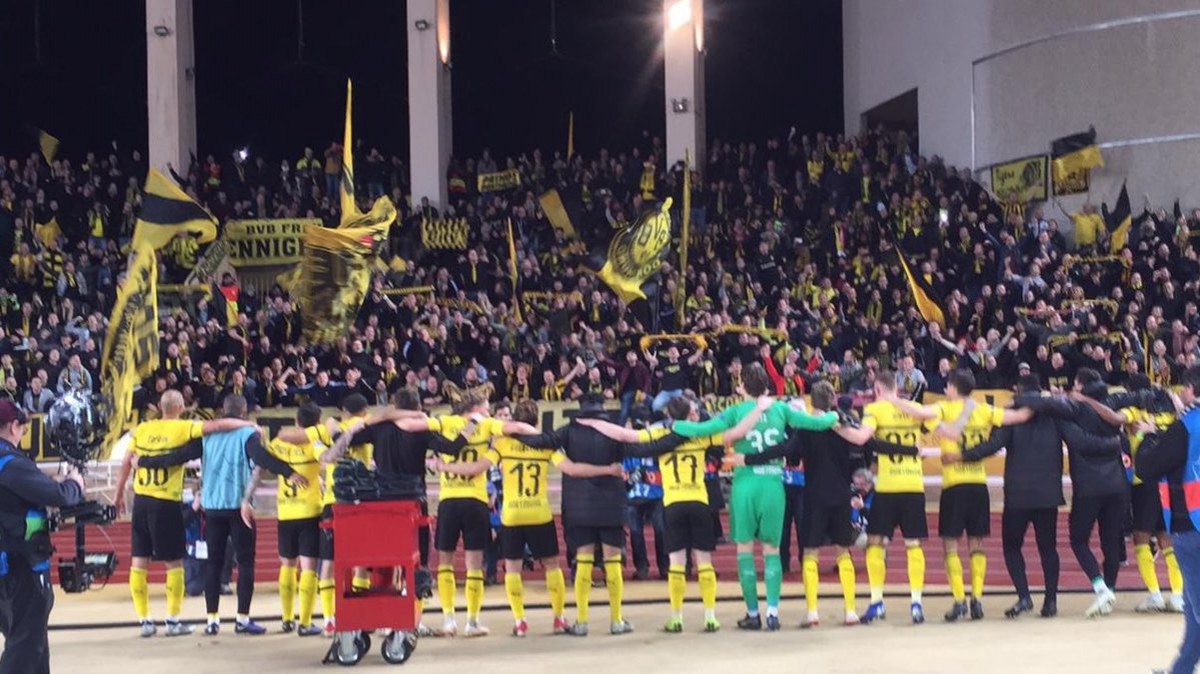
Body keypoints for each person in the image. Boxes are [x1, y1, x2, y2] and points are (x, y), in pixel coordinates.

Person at [434, 399, 628, 637]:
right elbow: (573, 469)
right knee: (552, 565)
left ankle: (519, 621)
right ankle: (558, 618)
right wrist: (608, 470)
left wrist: (445, 468)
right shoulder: (545, 446)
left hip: (512, 514)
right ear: (536, 422)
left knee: (512, 569)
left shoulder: (503, 445)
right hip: (539, 512)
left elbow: (476, 468)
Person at [669, 363, 840, 631]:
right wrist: (834, 416)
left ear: (741, 387)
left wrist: (675, 425)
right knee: (772, 550)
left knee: (744, 550)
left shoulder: (735, 411)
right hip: (772, 483)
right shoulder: (781, 409)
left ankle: (752, 613)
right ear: (767, 386)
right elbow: (818, 423)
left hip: (745, 485)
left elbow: (703, 430)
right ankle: (772, 613)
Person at [579, 394, 762, 633]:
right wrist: (759, 408)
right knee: (704, 563)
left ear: (669, 415)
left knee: (677, 564)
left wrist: (594, 423)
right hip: (699, 501)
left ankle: (676, 618)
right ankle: (710, 617)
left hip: (673, 502)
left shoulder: (661, 434)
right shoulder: (701, 435)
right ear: (689, 414)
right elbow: (737, 433)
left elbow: (627, 436)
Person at [133, 394, 302, 635]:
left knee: (213, 563)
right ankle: (242, 618)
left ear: (223, 410)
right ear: (243, 413)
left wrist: (145, 462)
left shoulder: (207, 436)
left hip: (211, 507)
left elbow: (178, 456)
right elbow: (261, 458)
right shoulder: (247, 434)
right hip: (239, 507)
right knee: (245, 563)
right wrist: (288, 471)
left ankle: (212, 620)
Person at [960, 373, 1122, 619]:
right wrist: (1113, 443)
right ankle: (1050, 601)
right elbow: (1080, 442)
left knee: (1012, 546)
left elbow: (993, 445)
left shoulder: (1012, 414)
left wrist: (964, 455)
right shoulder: (1055, 415)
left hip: (1018, 494)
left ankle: (1024, 596)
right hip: (1048, 495)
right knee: (1048, 549)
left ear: (1019, 391)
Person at [386, 391, 541, 637]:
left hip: (449, 501)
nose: (488, 411)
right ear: (476, 407)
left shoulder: (446, 422)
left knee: (445, 563)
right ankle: (472, 622)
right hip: (476, 501)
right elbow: (521, 428)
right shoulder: (487, 424)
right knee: (474, 565)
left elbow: (408, 425)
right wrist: (541, 436)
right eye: (486, 407)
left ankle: (449, 620)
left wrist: (403, 415)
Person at [113, 390, 257, 637]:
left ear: (160, 407)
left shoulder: (143, 429)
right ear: (181, 408)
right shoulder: (182, 427)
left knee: (139, 561)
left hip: (141, 501)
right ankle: (172, 620)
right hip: (166, 502)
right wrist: (247, 424)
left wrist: (118, 495)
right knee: (174, 563)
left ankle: (145, 620)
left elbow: (126, 462)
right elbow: (218, 425)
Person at [731, 381, 862, 628]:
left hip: (815, 495)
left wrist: (749, 458)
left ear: (811, 401)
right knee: (843, 552)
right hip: (841, 495)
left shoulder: (805, 429)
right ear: (833, 400)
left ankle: (812, 613)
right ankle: (851, 611)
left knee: (811, 553)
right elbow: (861, 450)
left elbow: (784, 450)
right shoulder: (843, 424)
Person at [1071, 374, 1186, 613]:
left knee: (1141, 537)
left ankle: (1155, 595)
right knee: (1167, 538)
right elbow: (1182, 408)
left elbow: (1113, 417)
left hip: (1144, 482)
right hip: (1168, 482)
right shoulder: (1172, 415)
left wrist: (1087, 400)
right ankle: (1178, 595)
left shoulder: (1136, 413)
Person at [923, 369, 1031, 622]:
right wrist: (1037, 402)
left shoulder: (943, 408)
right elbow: (1020, 416)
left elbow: (921, 414)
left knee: (950, 545)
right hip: (978, 484)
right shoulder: (983, 410)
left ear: (952, 387)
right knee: (977, 544)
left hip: (954, 484)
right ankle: (977, 599)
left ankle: (959, 600)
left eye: (947, 385)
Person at [835, 371, 934, 624]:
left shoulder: (875, 410)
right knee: (913, 545)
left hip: (888, 486)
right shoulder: (914, 408)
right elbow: (934, 425)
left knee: (875, 543)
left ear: (877, 390)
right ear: (896, 388)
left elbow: (861, 438)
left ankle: (877, 601)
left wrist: (836, 425)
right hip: (913, 485)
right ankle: (916, 603)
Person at [0, 400, 84, 673]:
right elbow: (60, 496)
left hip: (8, 565)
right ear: (13, 426)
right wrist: (74, 484)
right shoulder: (10, 463)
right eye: (23, 428)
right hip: (22, 565)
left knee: (26, 639)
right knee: (25, 644)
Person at [1136, 365, 1200, 674]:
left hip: (1191, 523)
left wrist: (1149, 437)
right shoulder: (1183, 427)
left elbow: (1148, 467)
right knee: (1192, 606)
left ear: (1189, 389)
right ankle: (1181, 670)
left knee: (1197, 607)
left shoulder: (1185, 427)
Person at [265, 403, 326, 636]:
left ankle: (287, 618)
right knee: (309, 567)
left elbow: (265, 462)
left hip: (285, 511)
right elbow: (327, 457)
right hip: (309, 510)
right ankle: (306, 622)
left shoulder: (279, 443)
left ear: (297, 420)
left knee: (288, 565)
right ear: (317, 422)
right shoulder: (314, 442)